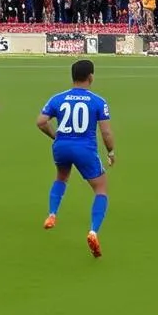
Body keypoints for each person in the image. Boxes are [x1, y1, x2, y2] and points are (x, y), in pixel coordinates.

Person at [36, 59, 115, 258]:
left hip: (61, 147)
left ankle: (52, 214)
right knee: (101, 188)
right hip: (85, 149)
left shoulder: (58, 98)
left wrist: (55, 136)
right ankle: (93, 231)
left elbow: (41, 122)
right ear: (91, 77)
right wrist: (111, 152)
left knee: (61, 177)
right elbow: (106, 133)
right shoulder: (98, 101)